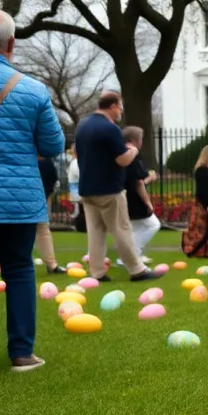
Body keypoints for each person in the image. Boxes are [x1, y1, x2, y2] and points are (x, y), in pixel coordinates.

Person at [0, 8, 65, 377]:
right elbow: (54, 144)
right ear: (11, 42)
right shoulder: (31, 88)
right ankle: (22, 353)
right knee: (20, 270)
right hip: (20, 199)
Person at [75, 91, 157, 282]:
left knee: (95, 231)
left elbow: (79, 155)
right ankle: (137, 270)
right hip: (109, 189)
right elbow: (122, 159)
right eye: (119, 107)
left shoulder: (83, 126)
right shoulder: (110, 128)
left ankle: (97, 272)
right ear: (112, 106)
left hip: (87, 188)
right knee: (121, 229)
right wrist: (134, 151)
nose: (120, 111)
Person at [121, 126, 160, 262]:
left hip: (124, 195)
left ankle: (132, 255)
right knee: (153, 224)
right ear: (134, 140)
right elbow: (138, 183)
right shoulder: (133, 155)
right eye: (141, 138)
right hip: (134, 198)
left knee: (136, 228)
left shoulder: (121, 153)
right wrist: (148, 202)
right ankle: (131, 256)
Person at [34, 155, 66, 275]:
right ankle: (51, 264)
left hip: (36, 194)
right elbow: (52, 178)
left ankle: (51, 264)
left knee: (42, 227)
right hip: (40, 195)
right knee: (42, 228)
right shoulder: (45, 161)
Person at [67, 148, 80, 224]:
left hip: (75, 189)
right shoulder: (75, 162)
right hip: (77, 190)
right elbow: (81, 175)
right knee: (77, 211)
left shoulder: (74, 162)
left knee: (77, 210)